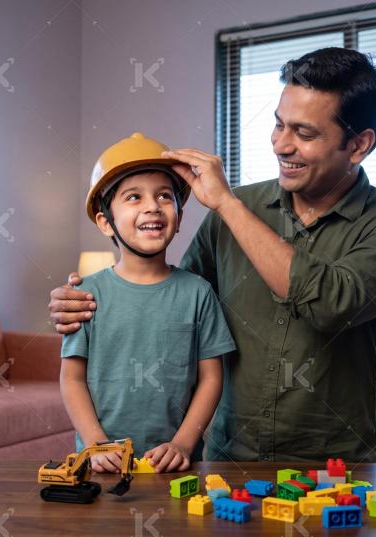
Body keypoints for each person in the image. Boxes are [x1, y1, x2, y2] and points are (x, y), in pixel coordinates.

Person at [51, 48, 376, 463]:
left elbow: (329, 305)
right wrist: (83, 304)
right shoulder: (230, 210)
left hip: (334, 462)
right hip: (231, 458)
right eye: (279, 124)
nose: (281, 145)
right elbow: (171, 299)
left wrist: (230, 207)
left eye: (304, 134)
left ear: (358, 145)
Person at [60, 132, 235, 474]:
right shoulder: (86, 295)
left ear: (180, 218)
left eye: (165, 196)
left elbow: (212, 378)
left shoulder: (198, 292)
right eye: (134, 197)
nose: (152, 206)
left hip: (176, 465)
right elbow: (72, 380)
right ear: (104, 222)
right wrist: (96, 443)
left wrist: (184, 443)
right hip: (100, 464)